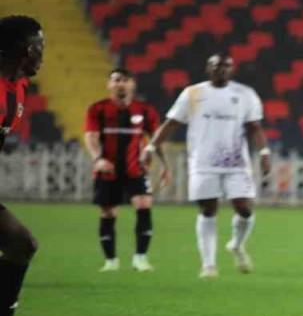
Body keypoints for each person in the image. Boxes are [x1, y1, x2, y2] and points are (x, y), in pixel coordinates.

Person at [144, 53, 268, 278]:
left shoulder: (245, 94)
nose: (222, 70)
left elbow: (254, 127)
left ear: (232, 69)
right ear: (208, 69)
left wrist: (265, 152)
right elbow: (172, 123)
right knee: (208, 210)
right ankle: (209, 264)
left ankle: (237, 245)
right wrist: (151, 148)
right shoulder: (192, 93)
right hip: (202, 161)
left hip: (236, 162)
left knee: (245, 208)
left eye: (226, 66)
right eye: (216, 66)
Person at [84, 68, 168, 272]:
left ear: (132, 84)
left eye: (124, 80)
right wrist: (98, 159)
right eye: (116, 80)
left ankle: (140, 257)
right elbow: (91, 138)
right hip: (108, 170)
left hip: (135, 169)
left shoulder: (145, 110)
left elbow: (156, 139)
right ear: (109, 84)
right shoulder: (98, 109)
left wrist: (165, 165)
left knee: (144, 205)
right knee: (108, 212)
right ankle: (111, 261)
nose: (120, 84)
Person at [0, 15, 44, 316]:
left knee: (20, 243)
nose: (43, 52)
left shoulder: (18, 89)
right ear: (27, 49)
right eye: (40, 44)